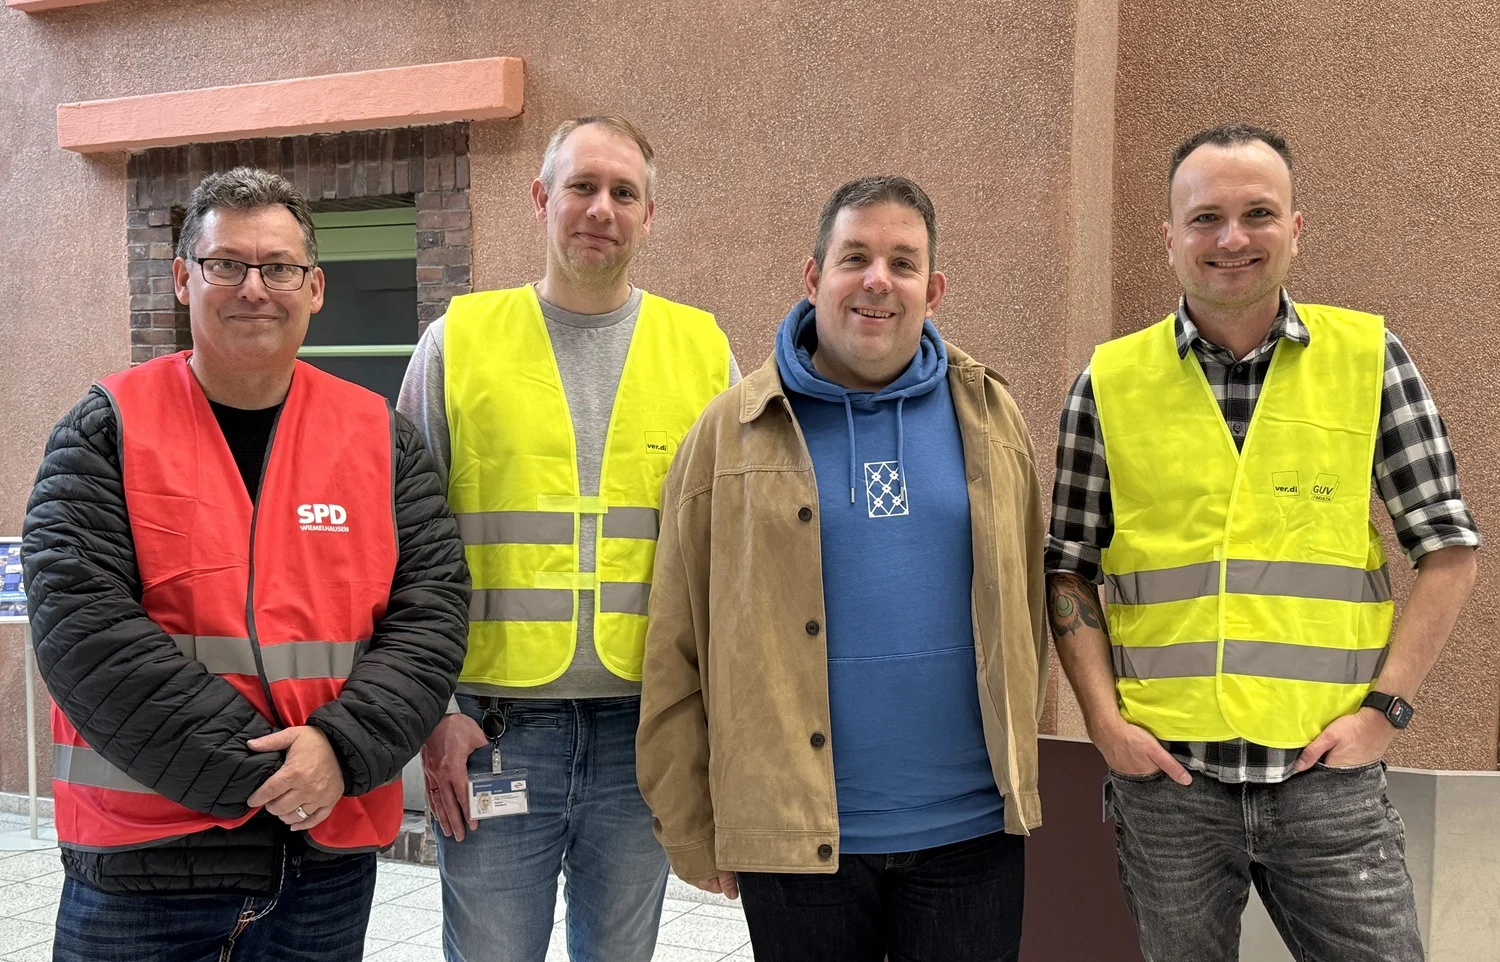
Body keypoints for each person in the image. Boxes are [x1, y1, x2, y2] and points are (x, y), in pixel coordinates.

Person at [1046, 123, 1481, 961]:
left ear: (1296, 228)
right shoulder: (1110, 381)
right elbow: (1068, 569)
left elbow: (1449, 550)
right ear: (1168, 236)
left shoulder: (1370, 358)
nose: (1232, 238)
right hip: (1168, 783)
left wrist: (1385, 714)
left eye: (1258, 213)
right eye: (1206, 217)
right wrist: (1103, 724)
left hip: (1326, 781)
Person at [22, 167, 471, 962]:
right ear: (182, 279)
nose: (254, 287)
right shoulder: (106, 430)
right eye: (226, 263)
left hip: (324, 870)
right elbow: (84, 633)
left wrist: (337, 750)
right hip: (145, 867)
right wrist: (274, 778)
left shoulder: (380, 439)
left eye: (279, 267)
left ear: (315, 287)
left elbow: (430, 615)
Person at [637, 175, 1047, 962]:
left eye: (903, 262)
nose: (877, 280)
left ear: (934, 290)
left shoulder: (991, 416)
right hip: (797, 844)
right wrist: (688, 819)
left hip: (970, 834)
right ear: (812, 276)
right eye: (854, 257)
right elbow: (676, 639)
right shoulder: (729, 432)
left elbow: (1026, 607)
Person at [399, 115, 739, 962]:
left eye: (624, 192)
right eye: (582, 186)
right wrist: (431, 715)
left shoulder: (702, 351)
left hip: (644, 733)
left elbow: (732, 558)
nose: (601, 208)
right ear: (541, 198)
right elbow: (399, 542)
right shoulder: (457, 343)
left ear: (649, 216)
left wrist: (714, 732)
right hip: (492, 730)